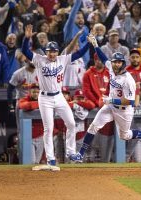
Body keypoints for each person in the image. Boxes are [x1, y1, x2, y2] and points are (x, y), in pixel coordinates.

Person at [69, 35, 141, 163]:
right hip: (110, 107)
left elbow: (130, 102)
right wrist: (95, 45)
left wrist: (111, 100)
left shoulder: (128, 80)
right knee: (93, 127)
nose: (116, 64)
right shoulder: (111, 67)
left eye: (119, 62)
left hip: (124, 110)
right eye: (115, 61)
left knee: (125, 135)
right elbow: (103, 57)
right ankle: (80, 154)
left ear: (123, 63)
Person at [21, 25, 91, 171]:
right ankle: (51, 159)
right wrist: (26, 38)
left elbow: (79, 54)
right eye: (49, 52)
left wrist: (89, 43)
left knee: (71, 123)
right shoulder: (39, 59)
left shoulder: (62, 59)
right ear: (45, 52)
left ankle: (71, 152)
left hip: (59, 96)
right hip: (45, 98)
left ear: (57, 52)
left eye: (54, 51)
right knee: (49, 128)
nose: (52, 54)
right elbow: (25, 51)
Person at [82, 53, 115, 162]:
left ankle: (105, 164)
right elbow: (86, 91)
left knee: (107, 142)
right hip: (95, 110)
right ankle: (89, 163)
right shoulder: (88, 74)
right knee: (92, 141)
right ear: (94, 60)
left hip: (108, 109)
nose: (99, 62)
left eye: (101, 60)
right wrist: (97, 102)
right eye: (97, 60)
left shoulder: (110, 73)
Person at [18, 83, 45, 164]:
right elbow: (24, 106)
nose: (36, 94)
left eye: (37, 92)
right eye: (34, 92)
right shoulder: (24, 99)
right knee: (31, 162)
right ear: (30, 92)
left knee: (37, 161)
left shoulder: (44, 99)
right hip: (28, 136)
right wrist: (39, 104)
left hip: (41, 136)